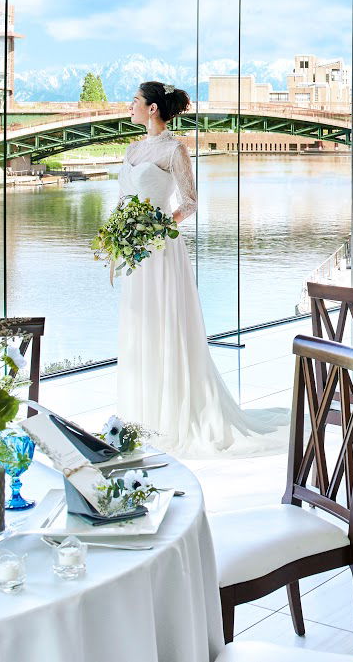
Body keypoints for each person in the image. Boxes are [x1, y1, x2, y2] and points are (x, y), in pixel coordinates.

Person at [114, 81, 283, 456]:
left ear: (153, 109)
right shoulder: (133, 148)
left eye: (136, 102)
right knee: (140, 323)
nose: (130, 106)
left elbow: (189, 202)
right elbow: (124, 198)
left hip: (160, 246)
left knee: (166, 321)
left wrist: (159, 224)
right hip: (135, 251)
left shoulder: (175, 149)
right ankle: (141, 413)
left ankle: (174, 412)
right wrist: (121, 233)